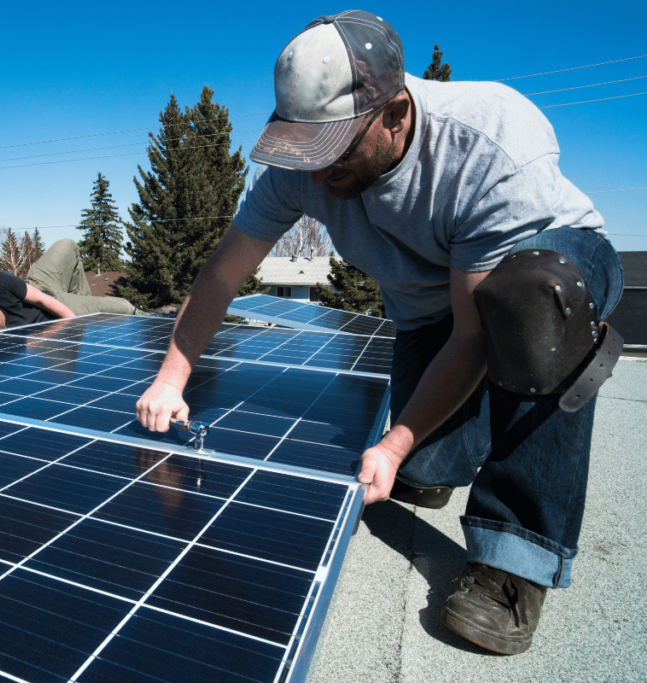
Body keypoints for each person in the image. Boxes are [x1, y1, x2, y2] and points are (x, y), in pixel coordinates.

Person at [135, 9, 624, 655]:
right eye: (305, 148)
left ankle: (516, 559)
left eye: (333, 148)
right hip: (429, 309)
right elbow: (222, 275)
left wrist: (391, 444)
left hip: (545, 276)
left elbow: (475, 332)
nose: (316, 173)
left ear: (395, 113)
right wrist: (171, 378)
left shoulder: (487, 136)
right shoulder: (298, 167)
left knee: (531, 310)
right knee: (426, 466)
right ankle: (453, 440)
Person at [0, 238, 137, 331]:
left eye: (3, 323)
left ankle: (82, 302)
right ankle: (159, 316)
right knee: (123, 307)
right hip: (51, 321)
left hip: (43, 293)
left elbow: (42, 299)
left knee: (68, 245)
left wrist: (78, 325)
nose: (5, 329)